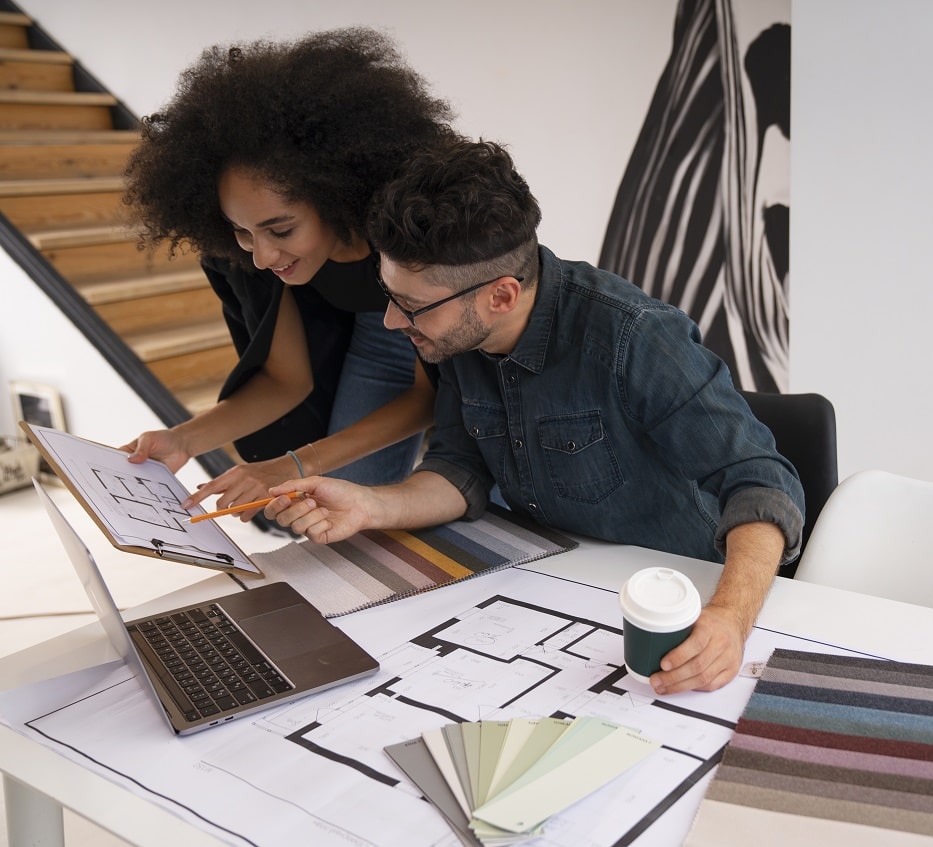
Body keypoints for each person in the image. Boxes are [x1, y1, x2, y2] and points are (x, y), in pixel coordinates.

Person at [266, 139, 805, 695]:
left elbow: (762, 482)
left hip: (670, 599)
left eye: (413, 306)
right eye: (389, 292)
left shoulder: (635, 336)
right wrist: (372, 503)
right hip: (551, 584)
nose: (389, 321)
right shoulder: (455, 335)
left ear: (501, 295)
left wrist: (731, 618)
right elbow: (460, 468)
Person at [119, 28, 458, 519]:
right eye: (241, 230)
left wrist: (294, 464)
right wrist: (181, 438)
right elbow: (285, 381)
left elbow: (432, 397)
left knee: (481, 501)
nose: (261, 256)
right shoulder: (260, 258)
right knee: (346, 509)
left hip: (451, 334)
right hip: (374, 331)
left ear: (338, 195)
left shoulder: (414, 239)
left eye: (281, 229)